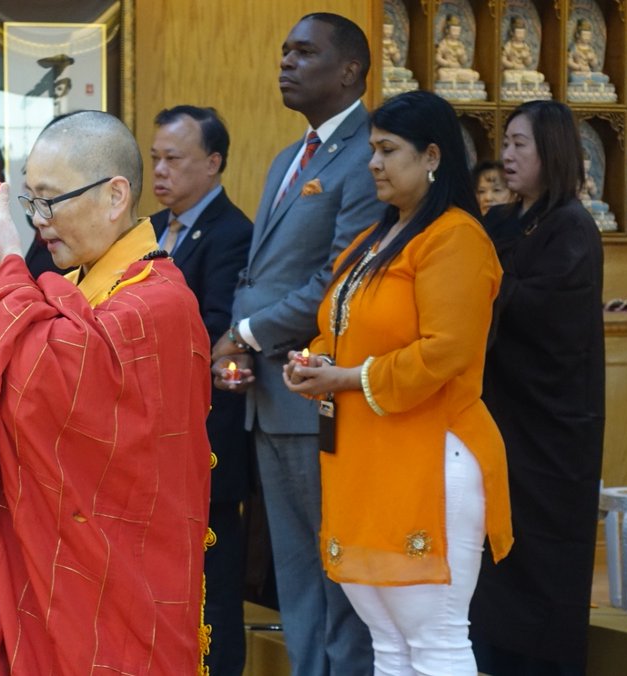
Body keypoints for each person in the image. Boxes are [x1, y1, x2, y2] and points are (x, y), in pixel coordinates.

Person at [0, 110, 212, 674]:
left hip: (126, 585)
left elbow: (54, 387)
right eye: (29, 203)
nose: (38, 221)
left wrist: (12, 262)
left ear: (115, 197)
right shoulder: (86, 284)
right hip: (59, 576)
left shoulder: (158, 302)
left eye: (50, 201)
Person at [282, 89, 512, 676]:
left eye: (387, 150)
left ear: (432, 155)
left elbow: (446, 351)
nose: (373, 163)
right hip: (367, 452)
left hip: (432, 454)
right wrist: (311, 363)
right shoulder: (373, 240)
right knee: (388, 639)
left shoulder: (454, 237)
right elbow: (344, 328)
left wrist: (348, 376)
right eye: (371, 150)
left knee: (434, 636)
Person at [212, 12, 379, 676]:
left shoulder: (369, 152)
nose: (286, 61)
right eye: (284, 50)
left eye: (304, 52)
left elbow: (335, 279)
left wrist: (246, 332)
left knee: (334, 569)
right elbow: (262, 273)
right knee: (294, 570)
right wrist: (240, 345)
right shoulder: (291, 156)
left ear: (349, 71)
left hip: (320, 397)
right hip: (268, 394)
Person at [469, 100, 605, 676]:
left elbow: (542, 313)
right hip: (499, 416)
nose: (506, 154)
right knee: (493, 567)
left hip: (550, 428)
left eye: (521, 144)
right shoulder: (504, 219)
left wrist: (486, 284)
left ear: (553, 151)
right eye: (505, 143)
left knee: (541, 562)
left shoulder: (573, 227)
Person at [148, 104, 253, 676]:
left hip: (206, 435)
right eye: (154, 158)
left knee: (213, 583)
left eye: (174, 159)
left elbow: (214, 329)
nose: (160, 171)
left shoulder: (231, 233)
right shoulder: (154, 229)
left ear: (212, 163)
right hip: (159, 431)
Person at [435, 15, 480, 84]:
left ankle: (459, 78)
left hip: (458, 69)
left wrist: (461, 55)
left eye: (458, 31)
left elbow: (464, 62)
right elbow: (437, 58)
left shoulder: (460, 45)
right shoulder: (444, 43)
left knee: (475, 75)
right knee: (441, 74)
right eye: (454, 30)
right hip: (448, 70)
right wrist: (448, 63)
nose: (456, 33)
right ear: (447, 30)